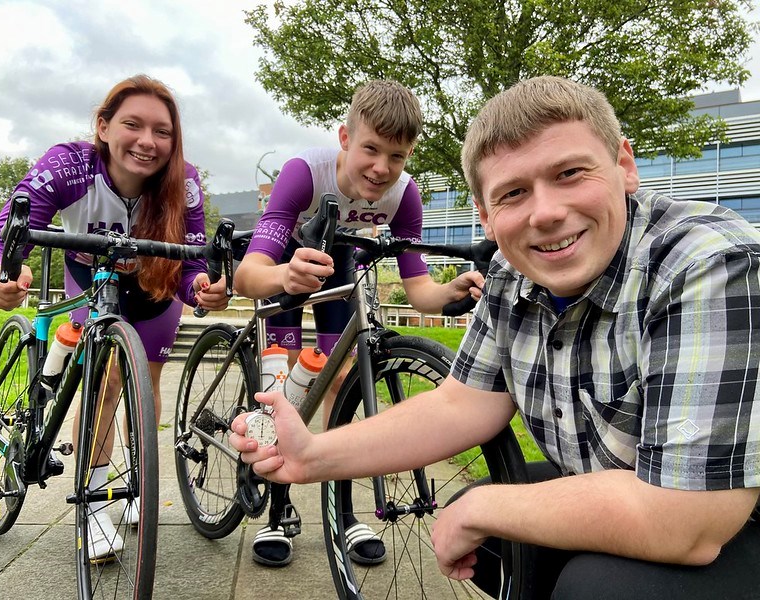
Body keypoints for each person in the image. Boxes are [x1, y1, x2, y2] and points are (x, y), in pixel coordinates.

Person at [230, 75, 760, 599]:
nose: (547, 213)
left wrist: (487, 509)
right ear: (485, 215)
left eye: (570, 173)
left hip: (722, 512)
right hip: (616, 479)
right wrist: (312, 455)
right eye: (513, 193)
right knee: (493, 541)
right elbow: (460, 405)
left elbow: (689, 518)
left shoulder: (707, 262)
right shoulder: (512, 270)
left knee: (589, 581)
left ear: (624, 166)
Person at [0, 74, 230, 562]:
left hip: (153, 288)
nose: (147, 142)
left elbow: (192, 264)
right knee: (105, 385)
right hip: (90, 280)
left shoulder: (185, 182)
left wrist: (203, 289)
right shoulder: (68, 165)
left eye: (163, 131)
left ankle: (133, 479)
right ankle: (92, 506)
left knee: (145, 391)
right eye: (132, 124)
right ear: (104, 126)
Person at [233, 79, 485, 567]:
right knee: (279, 380)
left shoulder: (404, 195)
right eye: (371, 149)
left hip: (340, 258)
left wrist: (451, 293)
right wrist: (286, 273)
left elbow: (418, 291)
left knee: (341, 380)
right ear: (346, 139)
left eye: (397, 156)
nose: (381, 168)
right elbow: (247, 275)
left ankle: (342, 511)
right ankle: (278, 510)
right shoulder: (305, 173)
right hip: (285, 261)